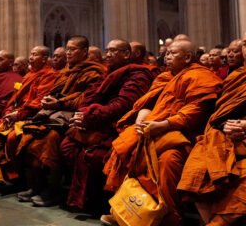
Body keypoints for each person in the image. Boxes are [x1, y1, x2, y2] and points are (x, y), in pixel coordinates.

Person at [100, 39, 223, 226]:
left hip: (181, 136)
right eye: (167, 53)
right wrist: (142, 117)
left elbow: (196, 110)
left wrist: (165, 125)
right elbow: (149, 103)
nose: (167, 57)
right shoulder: (164, 78)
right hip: (153, 131)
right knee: (127, 149)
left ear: (187, 57)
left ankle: (166, 219)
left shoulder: (201, 77)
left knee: (168, 161)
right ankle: (127, 213)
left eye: (173, 53)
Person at [60, 39, 157, 212]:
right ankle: (84, 198)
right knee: (68, 146)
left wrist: (90, 116)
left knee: (93, 155)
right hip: (99, 121)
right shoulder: (108, 73)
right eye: (107, 50)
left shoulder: (139, 75)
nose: (108, 54)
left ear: (126, 54)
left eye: (113, 51)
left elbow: (124, 105)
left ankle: (99, 203)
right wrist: (83, 113)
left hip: (118, 124)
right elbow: (91, 96)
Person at [16, 35, 106, 206]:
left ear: (84, 52)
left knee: (50, 138)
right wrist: (50, 99)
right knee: (30, 134)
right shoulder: (65, 71)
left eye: (73, 49)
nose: (68, 53)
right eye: (67, 49)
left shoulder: (94, 72)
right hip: (55, 114)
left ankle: (54, 189)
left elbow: (86, 98)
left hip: (75, 117)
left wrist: (59, 102)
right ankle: (37, 186)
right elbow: (55, 91)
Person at [178, 34, 246, 225]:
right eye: (245, 45)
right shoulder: (237, 76)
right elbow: (221, 114)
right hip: (225, 135)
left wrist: (243, 126)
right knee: (196, 170)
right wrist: (227, 126)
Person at [0, 46, 56, 185]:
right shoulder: (27, 76)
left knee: (12, 137)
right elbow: (15, 97)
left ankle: (16, 177)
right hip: (16, 113)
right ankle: (1, 177)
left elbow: (39, 101)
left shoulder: (49, 75)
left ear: (44, 59)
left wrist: (18, 114)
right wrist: (9, 112)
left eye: (35, 54)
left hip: (31, 116)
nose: (31, 57)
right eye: (31, 54)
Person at [0, 50, 23, 120]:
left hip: (6, 112)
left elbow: (13, 101)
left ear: (10, 63)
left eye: (1, 60)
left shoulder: (18, 79)